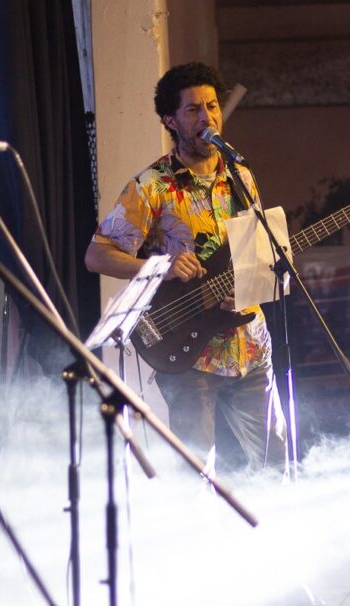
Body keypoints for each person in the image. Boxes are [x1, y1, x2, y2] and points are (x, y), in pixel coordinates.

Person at [85, 62, 286, 473]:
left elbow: (255, 253)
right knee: (195, 475)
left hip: (249, 344)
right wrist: (160, 266)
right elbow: (97, 255)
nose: (207, 117)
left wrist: (252, 283)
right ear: (170, 120)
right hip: (189, 352)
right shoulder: (150, 186)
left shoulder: (241, 175)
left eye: (212, 106)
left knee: (275, 465)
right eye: (193, 109)